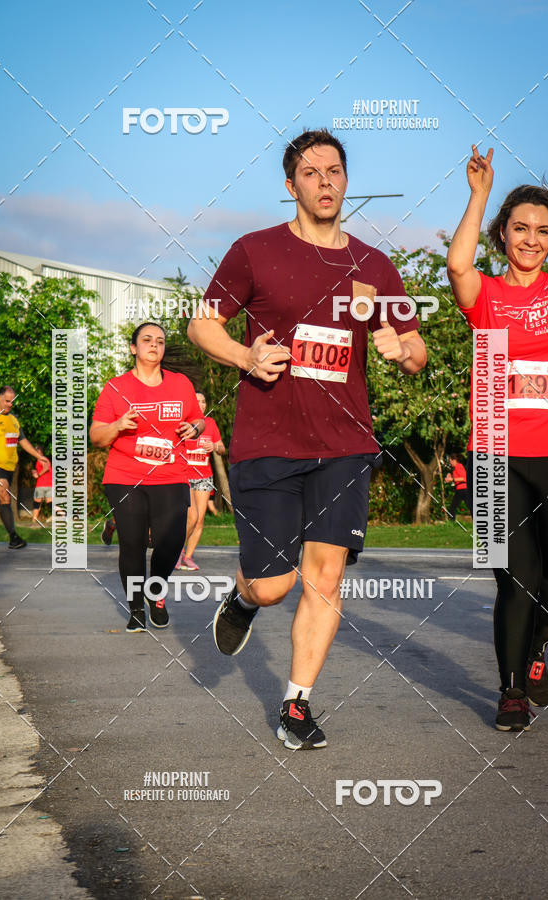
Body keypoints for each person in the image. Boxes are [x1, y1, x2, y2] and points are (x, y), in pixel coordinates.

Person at [188, 129, 426, 749]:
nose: (326, 181)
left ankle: (297, 705)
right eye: (312, 172)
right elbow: (201, 324)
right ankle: (243, 596)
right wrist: (245, 355)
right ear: (290, 186)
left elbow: (416, 349)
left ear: (347, 181)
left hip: (345, 444)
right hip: (268, 441)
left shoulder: (374, 266)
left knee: (325, 576)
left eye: (336, 170)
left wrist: (401, 347)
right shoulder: (254, 251)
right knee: (274, 585)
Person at [447, 144, 548, 731]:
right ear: (502, 234)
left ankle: (533, 648)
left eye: (541, 231)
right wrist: (479, 195)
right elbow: (456, 268)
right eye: (519, 228)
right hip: (496, 453)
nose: (530, 239)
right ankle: (511, 693)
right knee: (515, 581)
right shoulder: (490, 299)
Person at [90, 323, 204, 632]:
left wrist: (194, 428)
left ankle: (156, 593)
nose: (154, 345)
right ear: (133, 348)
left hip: (170, 474)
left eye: (160, 341)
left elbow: (198, 419)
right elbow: (97, 435)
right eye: (147, 340)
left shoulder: (180, 384)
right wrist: (118, 426)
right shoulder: (116, 387)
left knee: (170, 542)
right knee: (132, 543)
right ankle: (137, 608)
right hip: (125, 475)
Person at [0, 386, 49, 550]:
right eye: (7, 401)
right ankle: (14, 538)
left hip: (9, 467)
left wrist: (39, 456)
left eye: (12, 401)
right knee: (5, 497)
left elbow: (23, 440)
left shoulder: (13, 419)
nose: (10, 404)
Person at [176, 392, 225, 571]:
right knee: (190, 517)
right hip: (185, 476)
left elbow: (222, 448)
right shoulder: (182, 423)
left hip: (204, 476)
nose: (201, 404)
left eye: (204, 401)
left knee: (200, 519)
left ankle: (187, 557)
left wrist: (215, 447)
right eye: (197, 401)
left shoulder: (210, 423)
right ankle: (176, 552)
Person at [31, 446, 52, 525]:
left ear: (40, 451)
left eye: (36, 450)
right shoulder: (38, 461)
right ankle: (64, 515)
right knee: (50, 503)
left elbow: (46, 468)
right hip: (49, 484)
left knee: (37, 502)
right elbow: (35, 472)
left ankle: (34, 520)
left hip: (42, 484)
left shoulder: (42, 459)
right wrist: (34, 473)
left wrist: (39, 474)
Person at [445, 453, 471, 519]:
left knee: (453, 507)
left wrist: (452, 479)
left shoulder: (458, 466)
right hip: (461, 489)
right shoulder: (457, 467)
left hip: (462, 489)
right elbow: (458, 478)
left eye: (450, 461)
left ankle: (452, 522)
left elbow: (464, 478)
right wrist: (450, 477)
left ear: (454, 460)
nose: (450, 463)